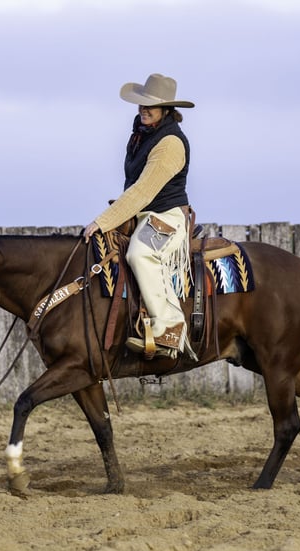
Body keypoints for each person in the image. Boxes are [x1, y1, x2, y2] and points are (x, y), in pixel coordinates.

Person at [84, 73, 196, 360]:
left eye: (151, 106)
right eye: (142, 104)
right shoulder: (140, 136)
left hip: (167, 216)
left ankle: (169, 329)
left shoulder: (170, 143)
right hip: (144, 215)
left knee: (140, 254)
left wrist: (103, 221)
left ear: (167, 110)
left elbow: (143, 191)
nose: (144, 109)